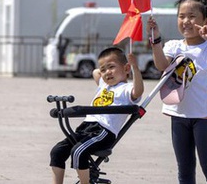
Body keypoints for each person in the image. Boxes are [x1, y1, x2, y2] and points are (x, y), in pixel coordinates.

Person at [146, 0, 207, 184]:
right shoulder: (173, 45)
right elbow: (162, 65)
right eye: (181, 16)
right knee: (185, 170)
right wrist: (156, 40)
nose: (186, 21)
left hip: (204, 117)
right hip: (179, 116)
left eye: (191, 16)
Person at [49, 47, 144, 184]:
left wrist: (134, 67)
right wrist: (106, 69)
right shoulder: (103, 85)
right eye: (104, 69)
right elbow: (95, 72)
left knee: (78, 151)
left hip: (104, 131)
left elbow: (139, 90)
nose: (107, 73)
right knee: (57, 151)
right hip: (85, 127)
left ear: (126, 68)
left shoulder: (126, 89)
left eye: (111, 67)